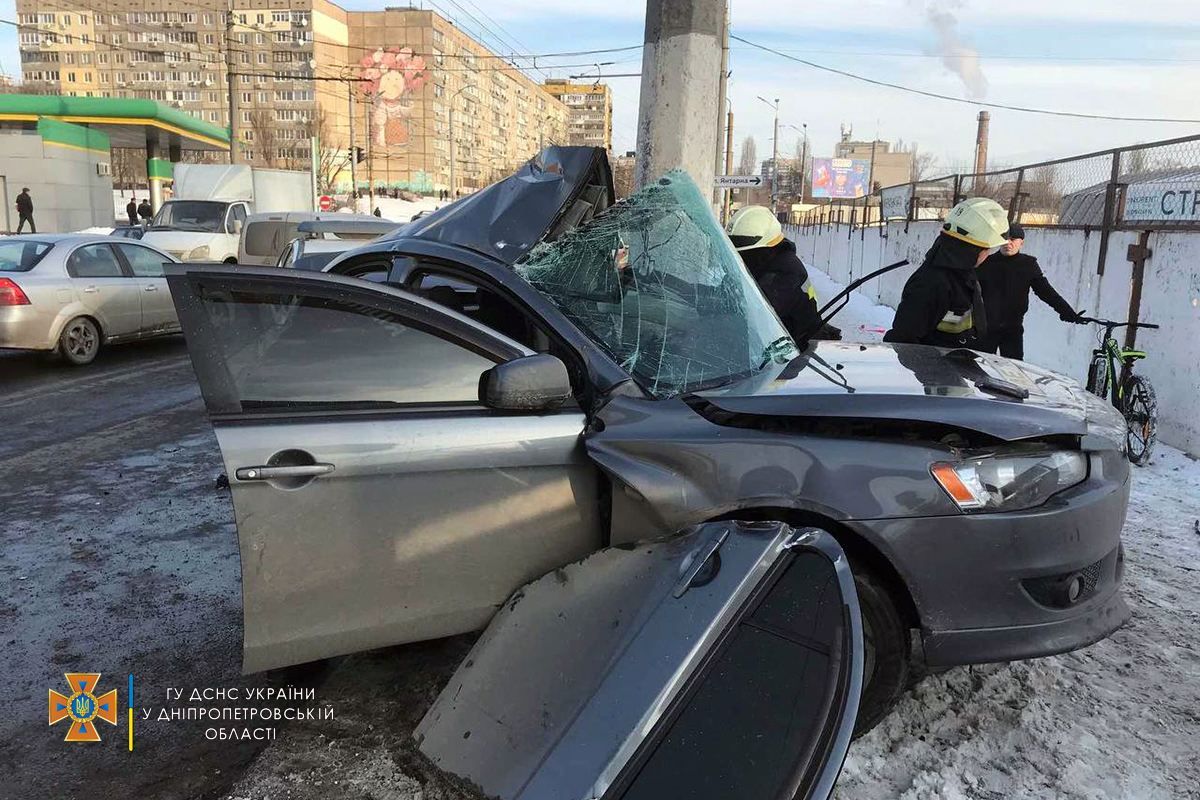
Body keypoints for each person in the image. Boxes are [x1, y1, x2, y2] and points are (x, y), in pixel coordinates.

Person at [883, 197, 1010, 348]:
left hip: (961, 366)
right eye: (988, 249)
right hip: (939, 369)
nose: (988, 254)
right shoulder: (931, 283)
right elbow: (903, 341)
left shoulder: (963, 275)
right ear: (973, 249)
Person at [974, 223, 1085, 360]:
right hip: (985, 328)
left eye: (1013, 239)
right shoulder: (986, 263)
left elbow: (1046, 292)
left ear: (1022, 243)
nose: (1008, 242)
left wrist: (1067, 312)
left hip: (1012, 328)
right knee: (977, 368)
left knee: (1014, 372)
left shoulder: (1028, 265)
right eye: (1004, 239)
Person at [726, 205, 826, 342]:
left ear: (764, 247)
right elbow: (727, 291)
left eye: (744, 252)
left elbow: (750, 311)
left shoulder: (786, 272)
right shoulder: (759, 264)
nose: (740, 257)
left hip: (794, 352)